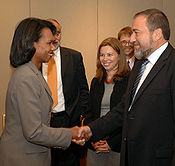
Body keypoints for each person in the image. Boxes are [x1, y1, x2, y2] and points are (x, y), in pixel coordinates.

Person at [80, 8, 175, 166]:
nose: (131, 39)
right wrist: (90, 130)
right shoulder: (139, 67)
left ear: (156, 34)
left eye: (136, 32)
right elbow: (123, 109)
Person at [0, 18, 83, 166]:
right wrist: (71, 133)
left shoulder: (32, 72)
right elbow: (34, 131)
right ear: (33, 43)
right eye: (49, 43)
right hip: (23, 158)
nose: (53, 48)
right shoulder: (26, 77)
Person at [43, 19, 89, 166]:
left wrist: (80, 115)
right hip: (44, 122)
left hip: (67, 120)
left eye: (58, 33)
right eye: (52, 33)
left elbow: (83, 89)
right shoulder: (37, 59)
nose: (56, 37)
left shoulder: (74, 57)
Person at [85, 37, 130, 166]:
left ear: (119, 56)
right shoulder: (96, 82)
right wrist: (93, 137)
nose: (105, 59)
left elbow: (126, 117)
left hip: (116, 147)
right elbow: (89, 112)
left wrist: (111, 143)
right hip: (95, 145)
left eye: (110, 54)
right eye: (102, 55)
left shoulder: (128, 81)